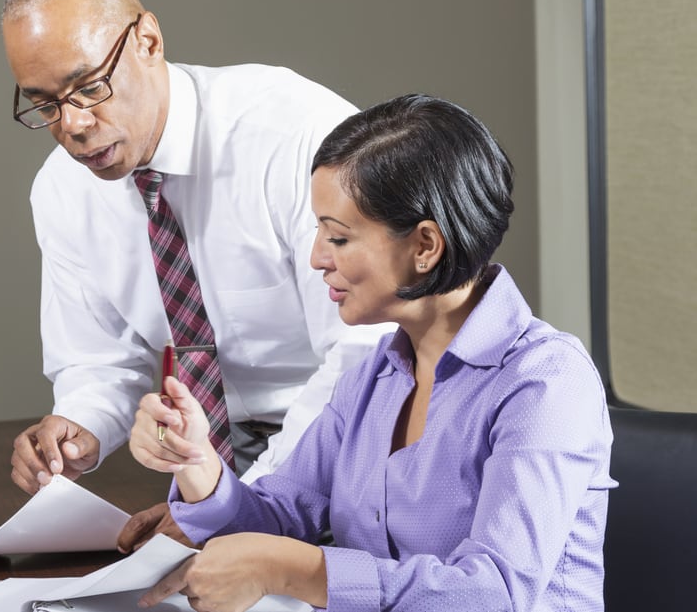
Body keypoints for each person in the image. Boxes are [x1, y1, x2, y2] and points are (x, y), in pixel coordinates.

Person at [128, 93, 616, 611]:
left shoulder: (547, 383)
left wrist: (292, 569)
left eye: (338, 237)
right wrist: (197, 462)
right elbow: (279, 517)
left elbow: (493, 592)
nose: (317, 257)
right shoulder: (373, 377)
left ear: (425, 246)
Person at [1, 0, 392, 516]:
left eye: (88, 87)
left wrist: (238, 505)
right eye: (45, 105)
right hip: (210, 453)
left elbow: (367, 353)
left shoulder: (293, 135)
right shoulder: (64, 190)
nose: (74, 127)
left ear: (149, 41)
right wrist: (79, 424)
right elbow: (98, 361)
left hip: (353, 439)